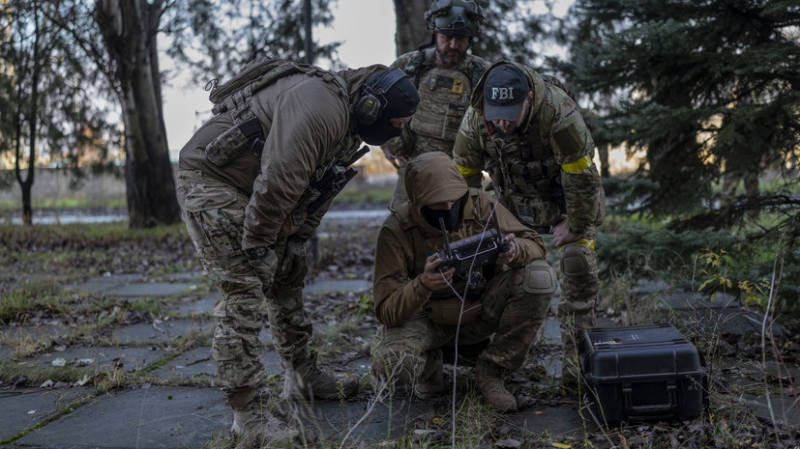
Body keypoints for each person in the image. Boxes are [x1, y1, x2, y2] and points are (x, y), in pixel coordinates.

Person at [176, 58, 419, 445]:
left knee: (288, 271)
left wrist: (293, 241)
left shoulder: (345, 115)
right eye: (396, 125)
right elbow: (281, 177)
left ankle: (300, 374)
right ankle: (248, 416)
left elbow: (314, 187)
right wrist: (258, 245)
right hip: (212, 183)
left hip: (252, 188)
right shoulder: (321, 106)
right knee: (244, 290)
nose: (396, 135)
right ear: (373, 107)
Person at [452, 61, 605, 386]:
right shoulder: (477, 118)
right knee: (482, 264)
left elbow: (582, 177)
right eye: (497, 113)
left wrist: (576, 225)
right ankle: (485, 358)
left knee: (577, 263)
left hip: (567, 199)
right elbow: (464, 181)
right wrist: (472, 230)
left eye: (511, 112)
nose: (503, 122)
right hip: (511, 199)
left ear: (530, 99)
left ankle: (577, 369)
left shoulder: (559, 113)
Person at [370, 151, 557, 412]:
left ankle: (491, 371)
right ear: (417, 202)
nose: (448, 208)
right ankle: (428, 365)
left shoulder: (480, 204)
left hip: (479, 309)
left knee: (539, 276)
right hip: (426, 320)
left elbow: (535, 245)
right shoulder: (396, 230)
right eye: (437, 204)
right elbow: (386, 311)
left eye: (453, 200)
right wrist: (423, 284)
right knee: (391, 365)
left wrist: (515, 251)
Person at [381, 0, 491, 207]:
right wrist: (385, 144)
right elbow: (378, 103)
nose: (452, 45)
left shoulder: (483, 74)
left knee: (463, 232)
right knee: (402, 229)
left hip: (462, 172)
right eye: (446, 37)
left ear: (470, 40)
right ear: (435, 34)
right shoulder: (409, 65)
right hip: (414, 168)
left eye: (460, 39)